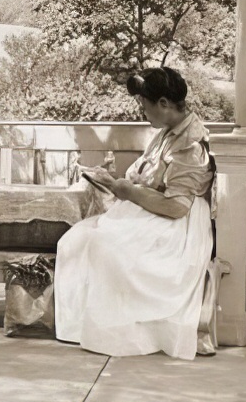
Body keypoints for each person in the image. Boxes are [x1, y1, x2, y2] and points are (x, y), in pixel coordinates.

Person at [54, 66, 216, 360]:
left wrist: (126, 191)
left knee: (106, 246)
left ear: (164, 104)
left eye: (145, 106)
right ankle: (83, 325)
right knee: (75, 240)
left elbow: (177, 206)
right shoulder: (166, 133)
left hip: (175, 223)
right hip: (148, 210)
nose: (143, 113)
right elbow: (146, 176)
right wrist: (117, 183)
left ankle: (122, 329)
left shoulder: (190, 144)